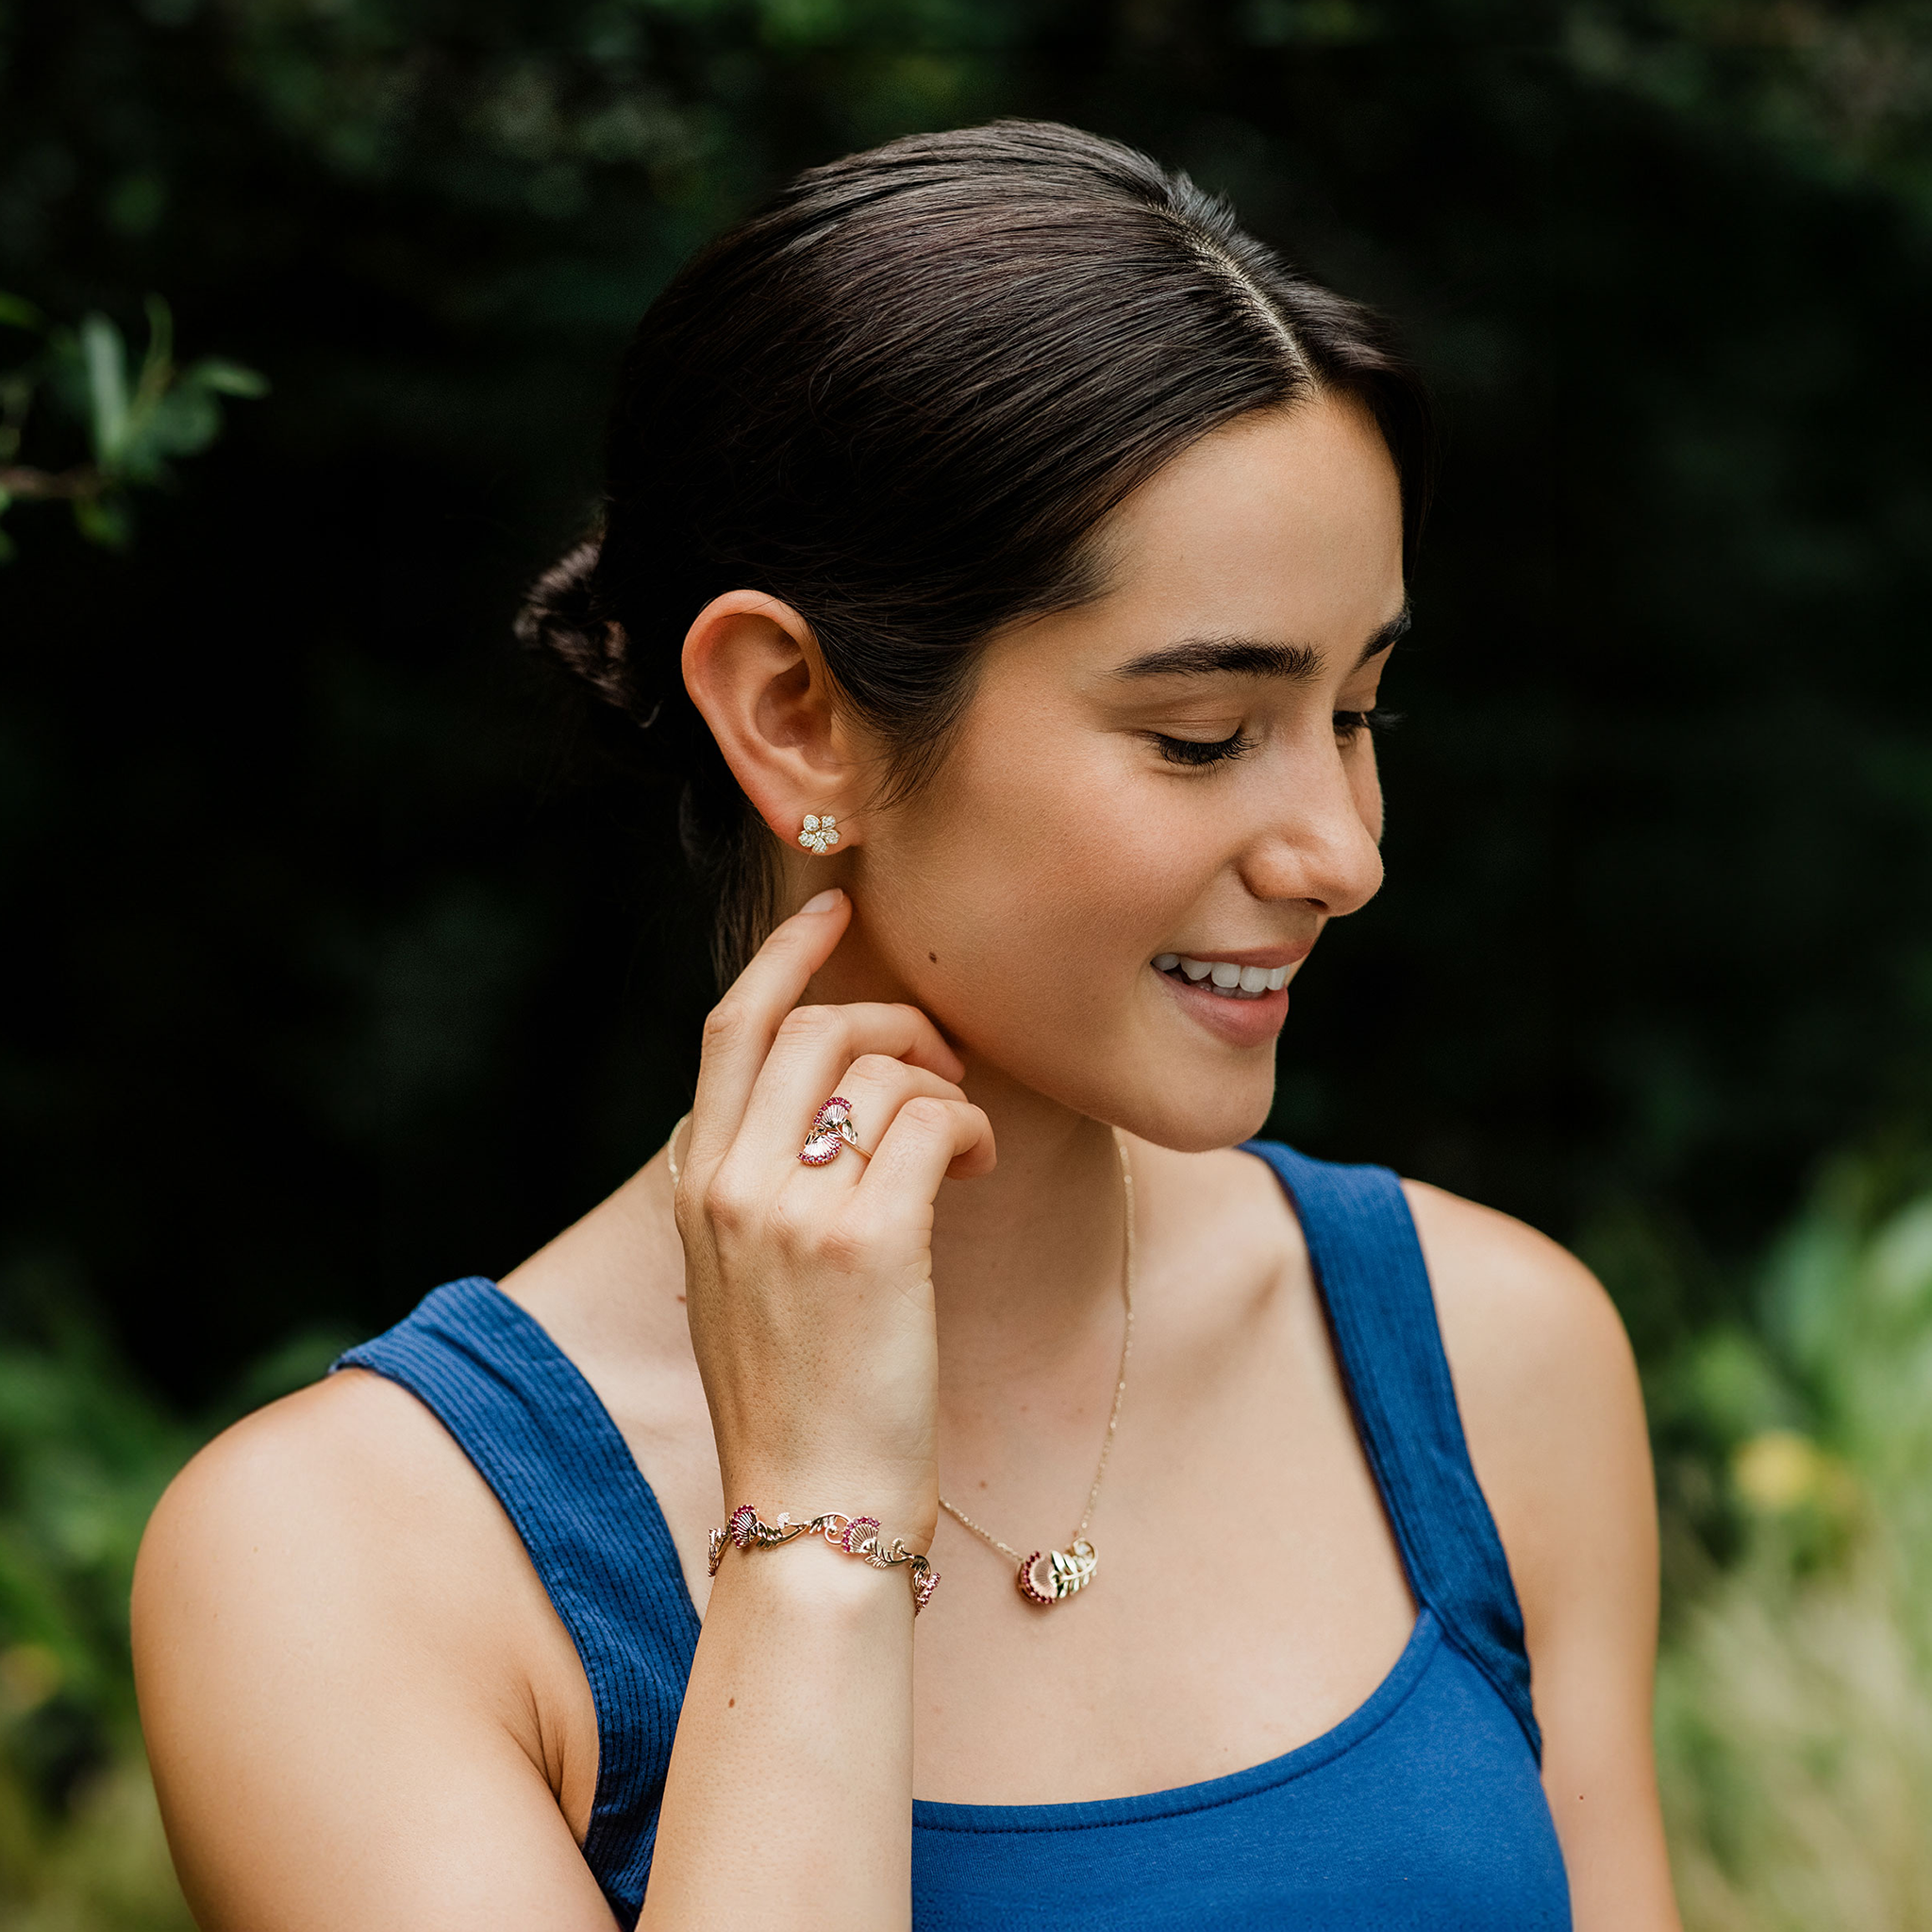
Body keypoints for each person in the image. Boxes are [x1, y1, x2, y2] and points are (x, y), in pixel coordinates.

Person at [131, 121, 1680, 1930]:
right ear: (795, 712)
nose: (1345, 855)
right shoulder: (350, 1566)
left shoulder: (1491, 1361)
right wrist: (812, 1545)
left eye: (1360, 714)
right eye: (1201, 737)